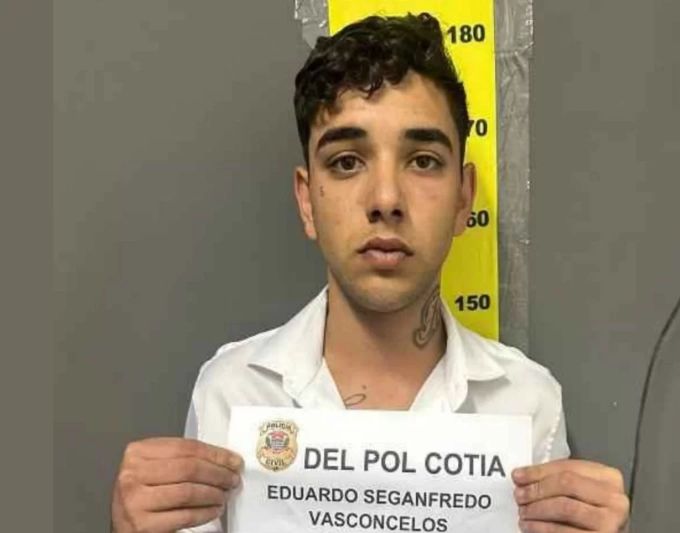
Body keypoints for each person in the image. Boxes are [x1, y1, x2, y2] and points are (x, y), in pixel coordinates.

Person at [111, 13, 629, 533]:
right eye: (346, 162)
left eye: (422, 160)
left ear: (462, 199)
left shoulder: (527, 403)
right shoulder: (233, 392)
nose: (385, 199)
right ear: (307, 201)